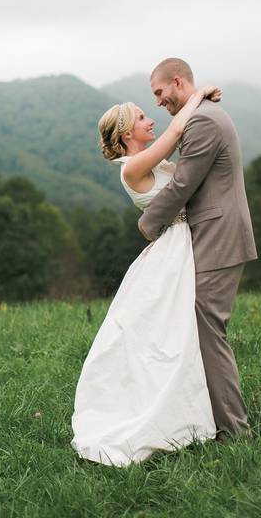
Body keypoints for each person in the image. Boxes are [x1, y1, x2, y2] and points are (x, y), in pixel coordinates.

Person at [70, 80, 222, 467]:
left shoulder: (147, 161)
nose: (150, 120)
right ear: (126, 134)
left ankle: (191, 412)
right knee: (167, 338)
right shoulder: (133, 167)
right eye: (141, 117)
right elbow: (174, 133)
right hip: (171, 251)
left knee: (177, 334)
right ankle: (161, 416)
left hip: (183, 245)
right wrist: (197, 96)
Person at [139, 57, 257, 442]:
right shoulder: (202, 113)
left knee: (208, 329)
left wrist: (148, 222)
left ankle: (234, 431)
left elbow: (183, 184)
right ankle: (213, 420)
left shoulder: (203, 121)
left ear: (177, 82)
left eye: (159, 92)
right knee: (204, 325)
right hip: (214, 236)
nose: (158, 101)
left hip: (219, 236)